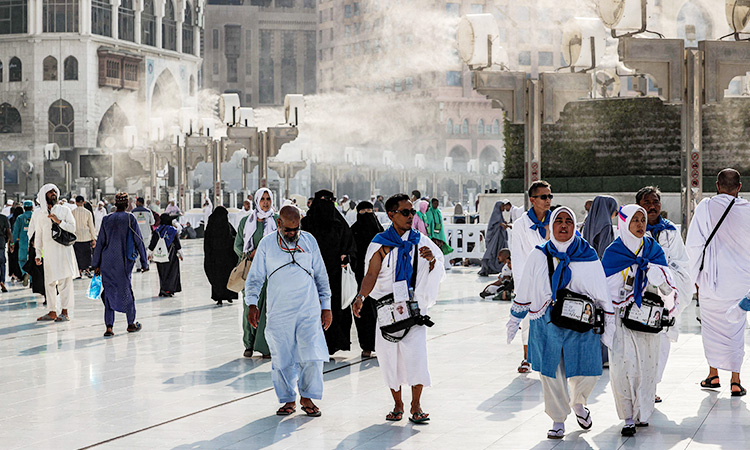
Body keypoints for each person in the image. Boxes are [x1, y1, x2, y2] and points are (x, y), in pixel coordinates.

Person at [507, 206, 614, 439]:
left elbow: (601, 289)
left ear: (575, 227)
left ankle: (578, 403)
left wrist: (609, 320)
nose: (564, 225)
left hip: (581, 321)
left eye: (568, 221)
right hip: (547, 320)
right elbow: (526, 286)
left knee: (589, 370)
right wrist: (515, 318)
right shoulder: (539, 254)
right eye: (559, 221)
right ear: (551, 226)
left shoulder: (588, 253)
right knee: (551, 372)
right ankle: (558, 419)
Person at [352, 194, 445, 425]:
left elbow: (437, 265)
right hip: (387, 308)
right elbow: (371, 274)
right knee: (389, 358)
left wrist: (431, 260)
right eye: (405, 212)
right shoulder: (381, 242)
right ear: (392, 214)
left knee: (417, 357)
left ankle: (416, 405)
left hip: (412, 308)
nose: (410, 216)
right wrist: (361, 296)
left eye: (412, 212)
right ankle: (397, 404)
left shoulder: (420, 240)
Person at [245, 205, 332, 417]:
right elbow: (255, 277)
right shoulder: (266, 244)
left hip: (308, 309)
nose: (292, 233)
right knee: (281, 355)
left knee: (312, 353)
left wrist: (326, 306)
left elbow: (321, 275)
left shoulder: (309, 241)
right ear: (278, 224)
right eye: (287, 230)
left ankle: (308, 396)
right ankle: (287, 399)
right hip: (279, 310)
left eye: (296, 229)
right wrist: (252, 304)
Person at [602, 204, 676, 436]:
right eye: (634, 220)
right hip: (622, 320)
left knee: (646, 366)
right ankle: (627, 416)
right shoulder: (614, 252)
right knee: (624, 366)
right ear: (623, 223)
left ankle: (643, 413)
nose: (639, 225)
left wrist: (652, 272)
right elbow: (605, 285)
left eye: (642, 220)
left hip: (648, 319)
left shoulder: (652, 248)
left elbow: (666, 283)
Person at [686, 168, 750, 396]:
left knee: (711, 329)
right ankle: (735, 380)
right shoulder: (748, 211)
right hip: (740, 282)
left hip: (711, 281)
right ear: (740, 187)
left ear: (717, 185)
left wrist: (692, 278)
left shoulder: (705, 207)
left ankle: (713, 375)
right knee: (736, 329)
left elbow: (694, 245)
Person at [636, 186, 691, 402]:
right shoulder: (632, 228)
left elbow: (682, 262)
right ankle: (639, 386)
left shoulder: (670, 231)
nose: (652, 206)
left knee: (662, 341)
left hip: (665, 294)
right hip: (640, 294)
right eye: (647, 202)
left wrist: (664, 274)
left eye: (656, 201)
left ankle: (652, 386)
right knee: (640, 340)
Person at [301, 189, 357, 356]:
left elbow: (350, 244)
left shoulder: (338, 222)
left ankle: (332, 344)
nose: (327, 204)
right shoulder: (307, 223)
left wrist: (345, 256)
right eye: (324, 200)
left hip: (334, 274)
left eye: (330, 200)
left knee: (333, 309)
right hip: (311, 275)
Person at [510, 180, 553, 373]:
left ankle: (553, 356)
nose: (548, 200)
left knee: (555, 318)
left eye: (550, 196)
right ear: (532, 200)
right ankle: (527, 357)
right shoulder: (521, 225)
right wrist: (522, 289)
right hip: (530, 279)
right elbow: (517, 257)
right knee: (528, 319)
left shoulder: (556, 220)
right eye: (543, 197)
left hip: (554, 279)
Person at [92, 192, 149, 336]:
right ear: (127, 204)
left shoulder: (106, 219)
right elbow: (139, 241)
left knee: (109, 293)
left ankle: (109, 327)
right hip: (123, 263)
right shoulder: (130, 218)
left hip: (107, 262)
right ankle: (130, 323)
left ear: (116, 204)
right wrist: (144, 262)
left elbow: (100, 243)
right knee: (126, 292)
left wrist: (96, 264)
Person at [234, 188, 278, 358]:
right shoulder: (247, 221)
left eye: (268, 199)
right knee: (250, 306)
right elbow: (238, 244)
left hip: (272, 271)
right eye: (262, 199)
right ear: (257, 201)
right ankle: (249, 343)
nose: (265, 202)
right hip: (252, 270)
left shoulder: (277, 220)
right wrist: (250, 254)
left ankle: (266, 345)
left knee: (268, 307)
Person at [34, 184, 78, 322]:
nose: (53, 193)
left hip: (64, 252)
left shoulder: (64, 210)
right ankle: (52, 311)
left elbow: (73, 228)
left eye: (55, 191)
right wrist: (37, 253)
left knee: (65, 282)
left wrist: (58, 221)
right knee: (50, 282)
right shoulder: (40, 215)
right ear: (43, 196)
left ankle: (64, 312)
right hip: (49, 254)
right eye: (50, 192)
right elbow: (39, 235)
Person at [350, 201, 383, 358]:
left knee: (380, 311)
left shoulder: (380, 232)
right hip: (360, 278)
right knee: (363, 312)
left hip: (380, 277)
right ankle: (366, 346)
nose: (367, 215)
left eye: (369, 211)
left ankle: (381, 344)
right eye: (363, 212)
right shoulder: (354, 231)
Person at [204, 206, 238, 306]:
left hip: (215, 259)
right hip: (226, 258)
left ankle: (220, 297)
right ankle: (228, 296)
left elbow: (207, 243)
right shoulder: (227, 226)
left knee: (218, 278)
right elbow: (235, 239)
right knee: (225, 277)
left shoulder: (210, 226)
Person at [148, 213, 183, 297]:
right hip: (171, 255)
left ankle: (163, 289)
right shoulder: (173, 230)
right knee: (172, 273)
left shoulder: (157, 230)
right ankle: (168, 290)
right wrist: (181, 254)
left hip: (159, 255)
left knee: (162, 273)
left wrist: (149, 254)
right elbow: (177, 244)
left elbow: (152, 244)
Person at [478, 200, 510, 276]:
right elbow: (492, 226)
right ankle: (490, 267)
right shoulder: (495, 216)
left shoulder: (500, 216)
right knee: (493, 252)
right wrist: (500, 225)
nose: (503, 208)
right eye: (502, 206)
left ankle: (498, 268)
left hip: (500, 239)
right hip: (495, 239)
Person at [72, 195, 97, 278]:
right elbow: (91, 226)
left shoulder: (72, 212)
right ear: (83, 202)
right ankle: (87, 270)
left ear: (76, 203)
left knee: (77, 255)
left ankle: (79, 271)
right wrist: (94, 238)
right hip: (86, 237)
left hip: (76, 237)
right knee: (87, 255)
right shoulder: (88, 212)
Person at [131, 197, 155, 273]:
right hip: (146, 234)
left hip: (136, 234)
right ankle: (146, 265)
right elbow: (152, 222)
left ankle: (138, 266)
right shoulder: (148, 211)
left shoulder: (133, 212)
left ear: (138, 202)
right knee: (146, 250)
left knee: (137, 250)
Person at [8, 204, 26, 282]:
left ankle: (17, 274)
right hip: (25, 241)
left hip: (15, 241)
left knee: (15, 259)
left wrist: (11, 243)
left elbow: (12, 231)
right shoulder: (25, 218)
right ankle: (25, 274)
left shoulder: (12, 219)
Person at [0, 208, 11, 292]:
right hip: (1, 242)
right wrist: (11, 243)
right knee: (2, 263)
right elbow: (8, 231)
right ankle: (2, 281)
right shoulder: (4, 218)